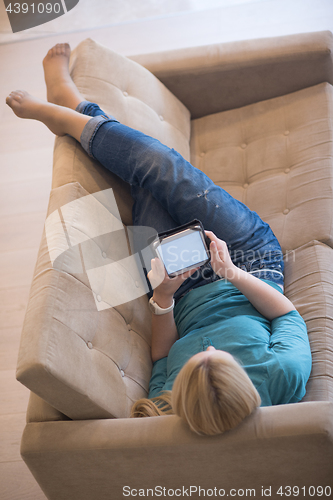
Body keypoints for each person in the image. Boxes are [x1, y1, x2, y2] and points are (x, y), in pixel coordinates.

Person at [6, 43, 312, 436]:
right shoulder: (283, 375)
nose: (208, 349)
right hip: (248, 260)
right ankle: (68, 113)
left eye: (196, 362)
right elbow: (287, 314)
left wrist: (163, 298)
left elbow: (164, 354)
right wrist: (231, 273)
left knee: (144, 182)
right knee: (161, 167)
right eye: (219, 358)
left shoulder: (170, 399)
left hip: (181, 289)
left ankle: (78, 110)